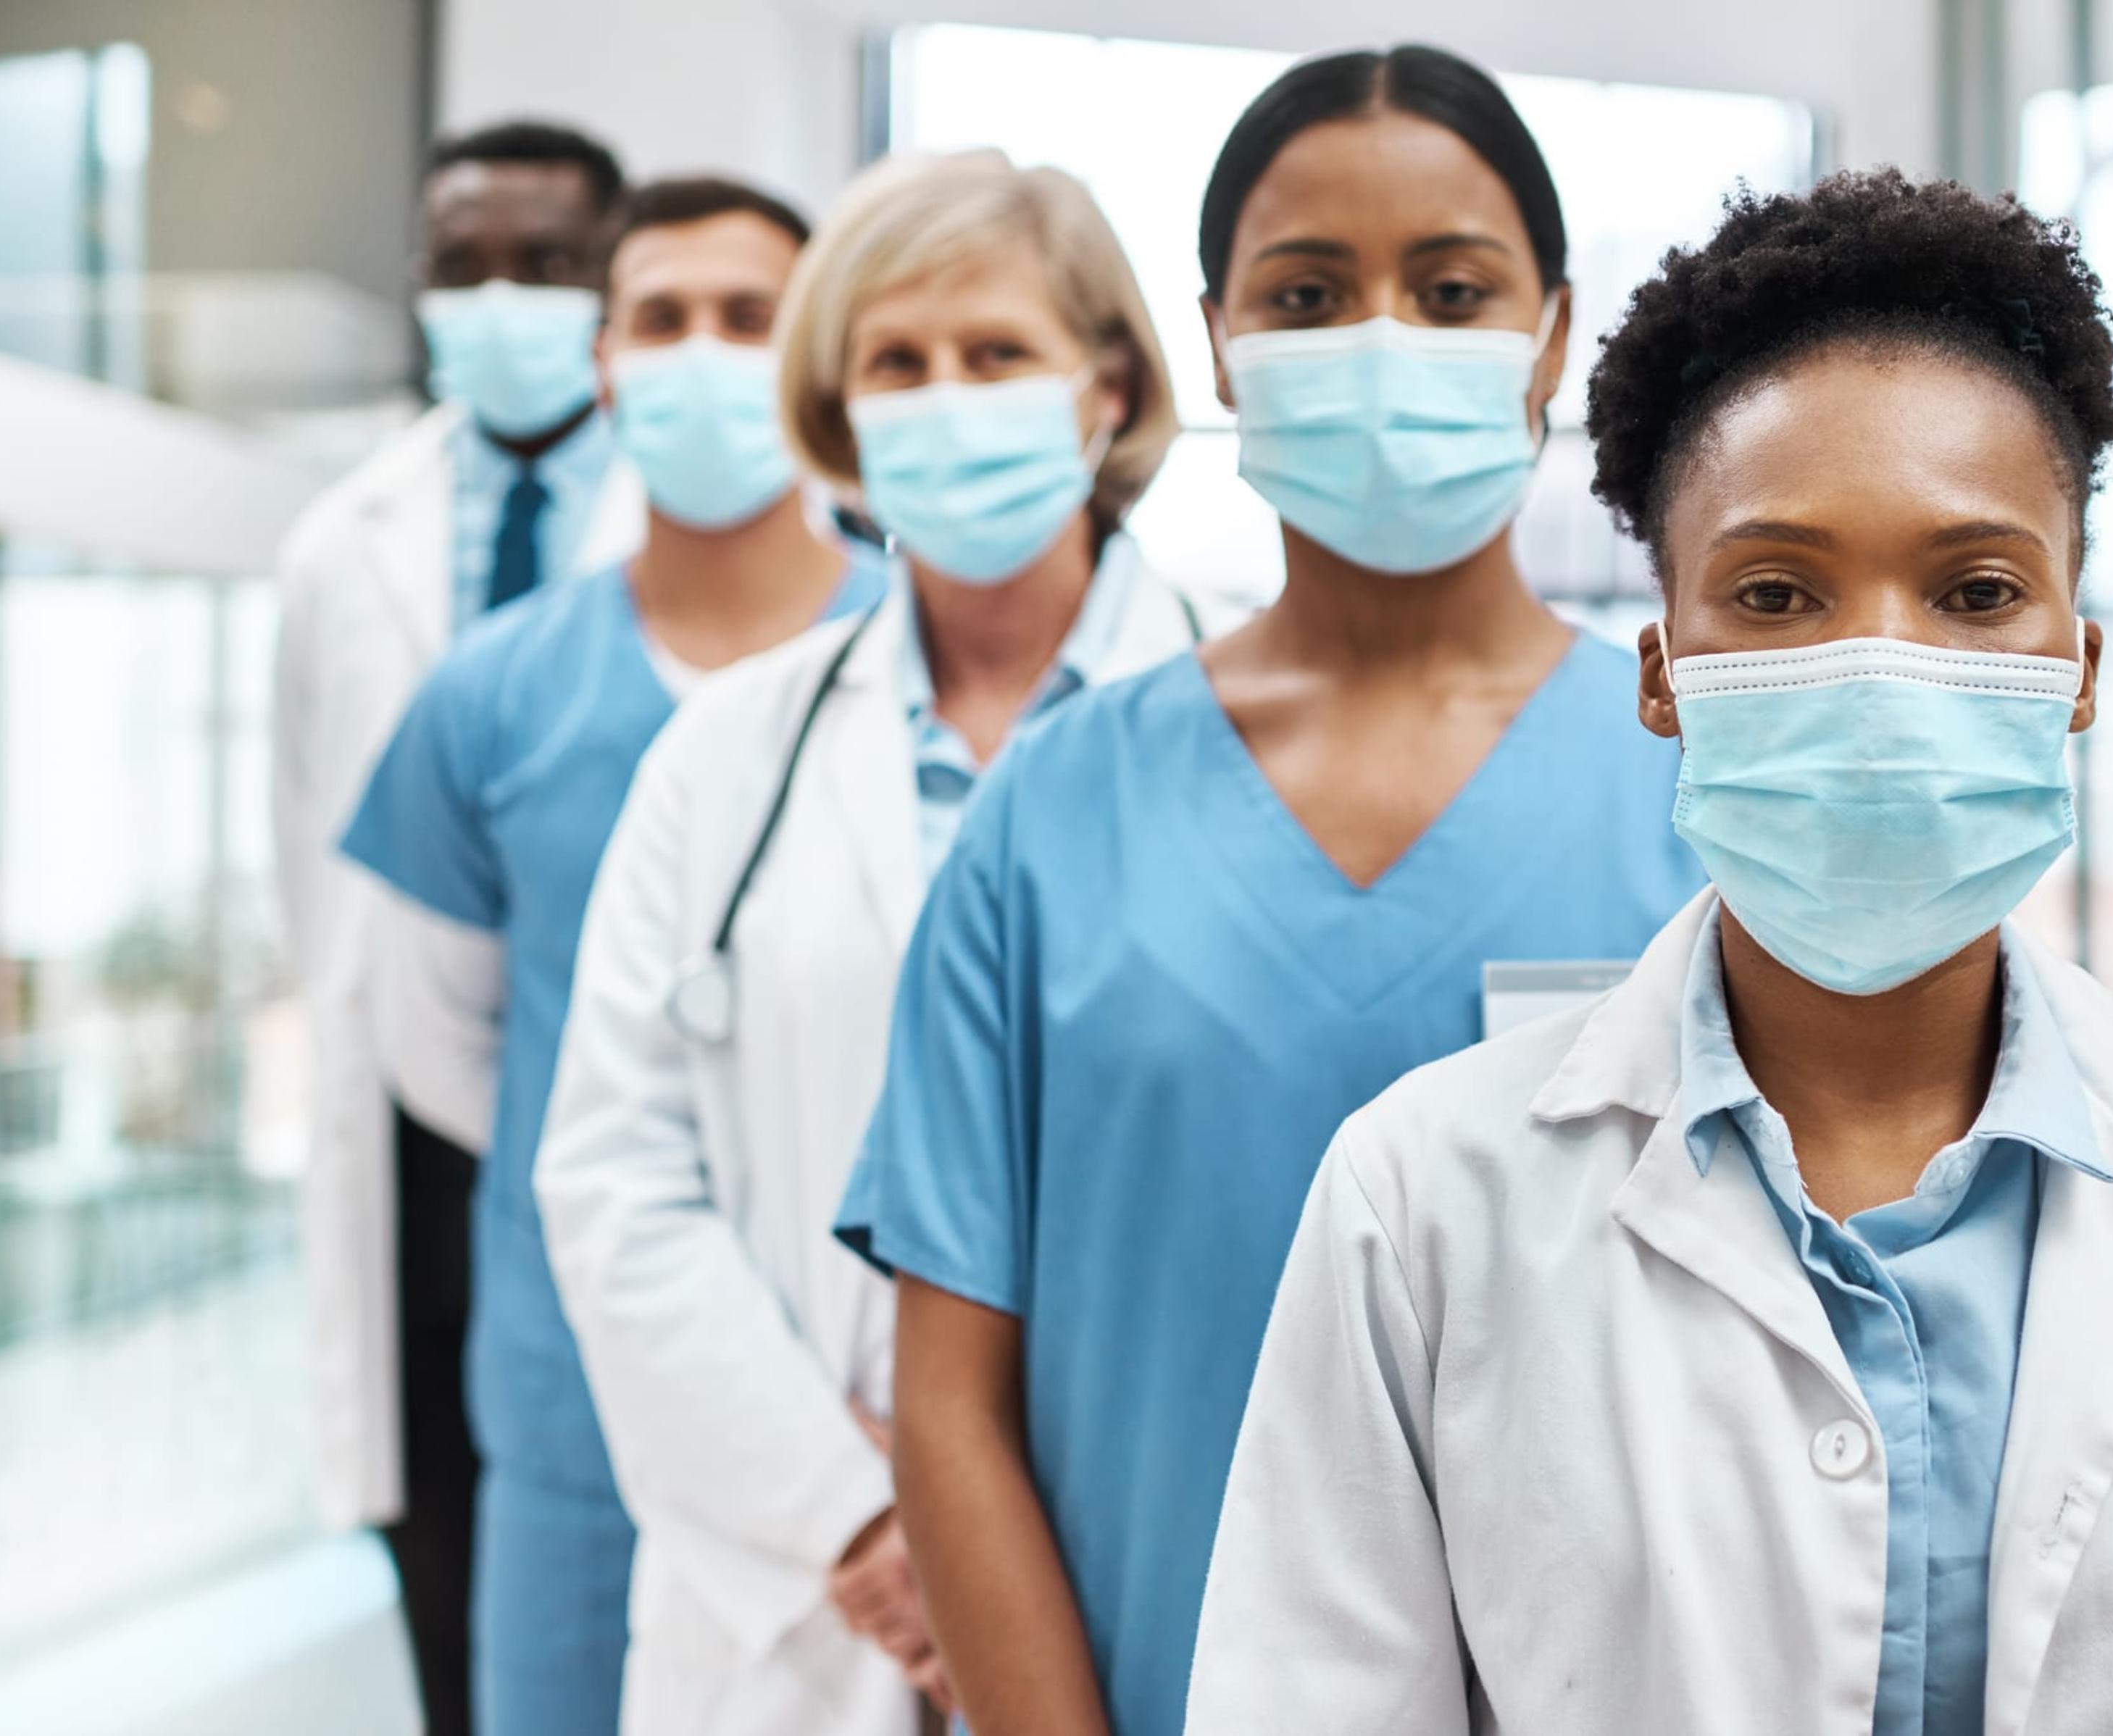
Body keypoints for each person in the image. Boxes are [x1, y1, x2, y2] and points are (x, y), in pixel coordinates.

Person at [1183, 171, 2113, 1735]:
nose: (1883, 666)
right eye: (1776, 594)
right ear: (1665, 674)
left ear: (2079, 667)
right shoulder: (1425, 1201)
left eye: (1978, 592)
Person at [835, 45, 1704, 1736]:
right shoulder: (1060, 809)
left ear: (1550, 331)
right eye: (1308, 292)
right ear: (1219, 337)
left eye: (1451, 288)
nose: (1381, 335)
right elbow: (951, 1398)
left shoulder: (1697, 793)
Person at [535, 149, 1223, 1736]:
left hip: (1152, 1545)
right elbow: (615, 1180)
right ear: (839, 415)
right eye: (897, 364)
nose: (946, 397)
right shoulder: (725, 762)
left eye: (996, 354)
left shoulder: (1248, 725)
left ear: (1105, 384)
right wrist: (862, 1516)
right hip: (809, 1604)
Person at [340, 174, 880, 1736]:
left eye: (748, 318)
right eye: (660, 318)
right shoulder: (494, 696)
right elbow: (446, 1042)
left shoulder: (923, 667)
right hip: (579, 1395)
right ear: (602, 363)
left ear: (813, 361)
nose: (701, 354)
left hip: (866, 1404)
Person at [267, 117, 634, 1736]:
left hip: (617, 1090)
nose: (502, 296)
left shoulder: (706, 526)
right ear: (418, 280)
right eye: (465, 263)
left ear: (611, 279)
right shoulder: (335, 545)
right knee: (446, 1529)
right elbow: (308, 863)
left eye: (547, 264)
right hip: (414, 1142)